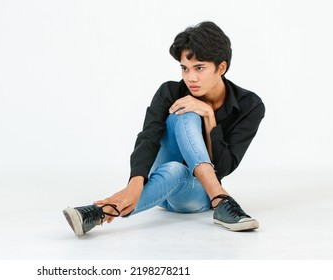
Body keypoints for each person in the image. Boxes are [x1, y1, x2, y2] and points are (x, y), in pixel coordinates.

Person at [63, 21, 265, 236]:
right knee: (185, 111)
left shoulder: (249, 106)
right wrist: (134, 184)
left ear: (221, 67)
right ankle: (222, 201)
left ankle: (99, 212)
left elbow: (224, 167)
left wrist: (209, 116)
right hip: (156, 181)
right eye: (185, 68)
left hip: (194, 193)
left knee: (176, 170)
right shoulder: (169, 91)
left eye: (199, 68)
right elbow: (148, 138)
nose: (190, 78)